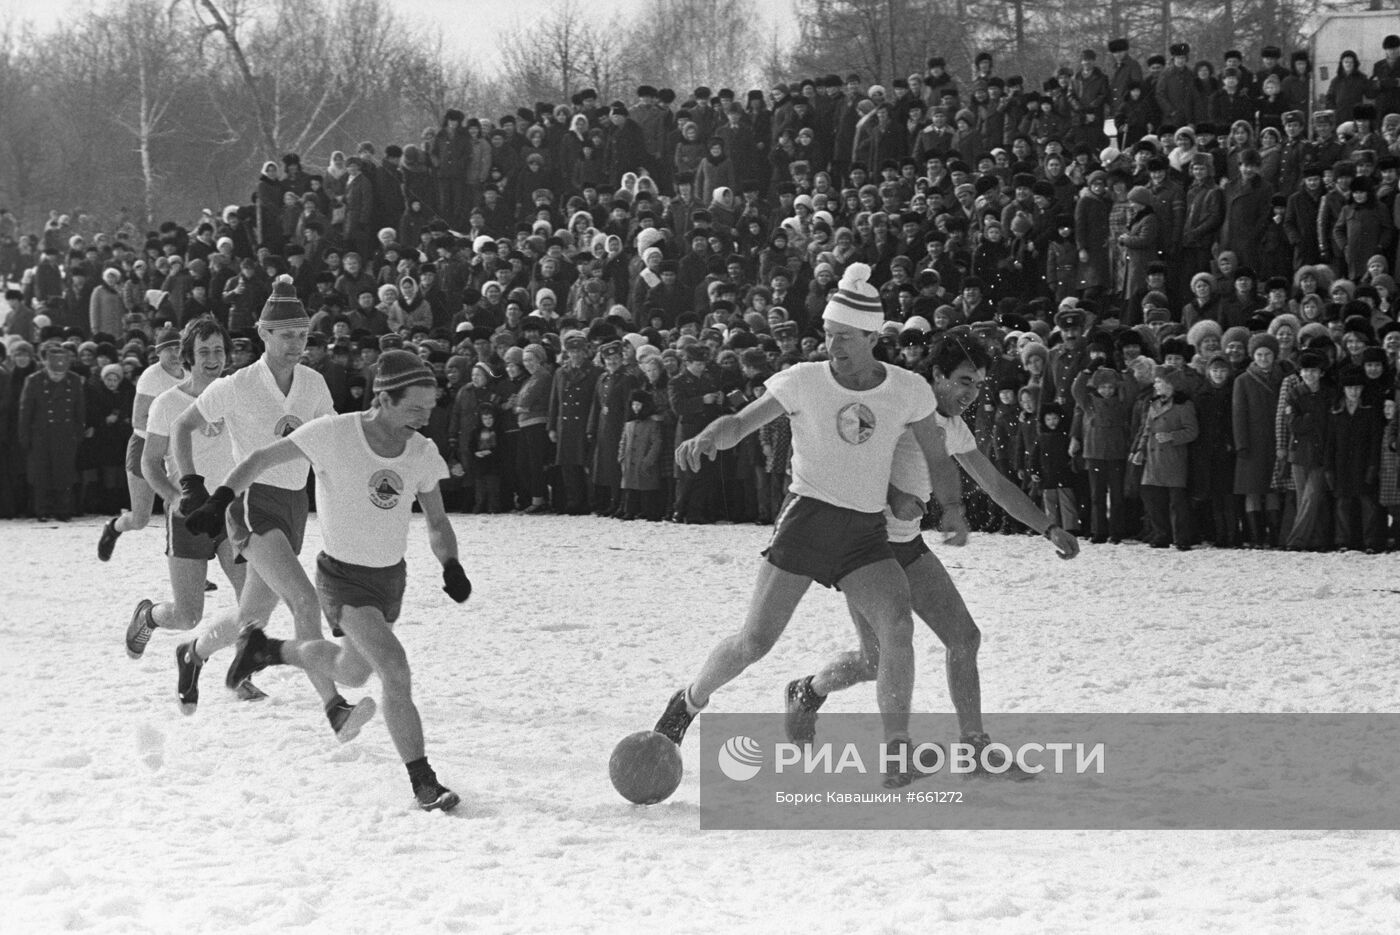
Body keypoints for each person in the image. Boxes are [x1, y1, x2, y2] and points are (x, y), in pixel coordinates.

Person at [650, 263, 968, 787]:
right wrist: (709, 437)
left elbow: (938, 458)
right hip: (806, 524)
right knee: (755, 641)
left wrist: (951, 508)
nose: (833, 345)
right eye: (828, 335)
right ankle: (687, 701)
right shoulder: (803, 379)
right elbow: (740, 423)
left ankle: (896, 752)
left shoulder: (908, 390)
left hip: (866, 532)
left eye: (844, 337)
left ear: (871, 337)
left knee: (897, 628)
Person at [782, 331, 1079, 775]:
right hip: (863, 548)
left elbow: (995, 484)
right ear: (937, 376)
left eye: (977, 384)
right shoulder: (898, 408)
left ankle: (975, 748)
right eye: (963, 381)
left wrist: (1049, 527)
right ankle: (812, 691)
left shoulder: (954, 429)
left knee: (964, 638)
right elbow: (840, 464)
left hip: (907, 546)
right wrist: (895, 494)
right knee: (876, 659)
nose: (971, 393)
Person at [190, 351, 470, 811]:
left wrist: (451, 564)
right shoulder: (335, 433)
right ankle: (423, 780)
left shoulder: (421, 451)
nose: (426, 415)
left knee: (353, 671)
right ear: (383, 398)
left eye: (430, 406)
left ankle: (268, 649)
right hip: (343, 580)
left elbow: (436, 521)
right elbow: (261, 458)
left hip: (389, 580)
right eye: (415, 407)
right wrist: (219, 497)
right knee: (394, 669)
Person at [168, 275, 373, 739]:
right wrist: (191, 483)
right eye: (286, 335)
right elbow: (183, 427)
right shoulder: (238, 385)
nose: (296, 344)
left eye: (302, 335)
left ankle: (193, 652)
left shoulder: (315, 383)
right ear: (262, 333)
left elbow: (332, 443)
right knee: (302, 598)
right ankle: (335, 708)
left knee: (249, 616)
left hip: (294, 504)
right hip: (250, 505)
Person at [128, 318, 253, 711]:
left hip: (232, 511)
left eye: (219, 351)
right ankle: (148, 615)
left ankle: (241, 676)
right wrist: (172, 497)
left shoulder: (238, 394)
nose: (213, 359)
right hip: (188, 517)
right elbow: (149, 463)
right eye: (204, 352)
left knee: (252, 600)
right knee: (187, 616)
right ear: (188, 356)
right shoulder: (168, 403)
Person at [97, 327, 185, 559]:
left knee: (180, 507)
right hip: (146, 447)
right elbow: (138, 419)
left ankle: (185, 561)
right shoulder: (151, 377)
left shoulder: (189, 374)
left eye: (179, 347)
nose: (176, 354)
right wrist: (167, 436)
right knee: (140, 518)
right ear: (159, 353)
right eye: (170, 349)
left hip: (176, 449)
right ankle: (113, 527)